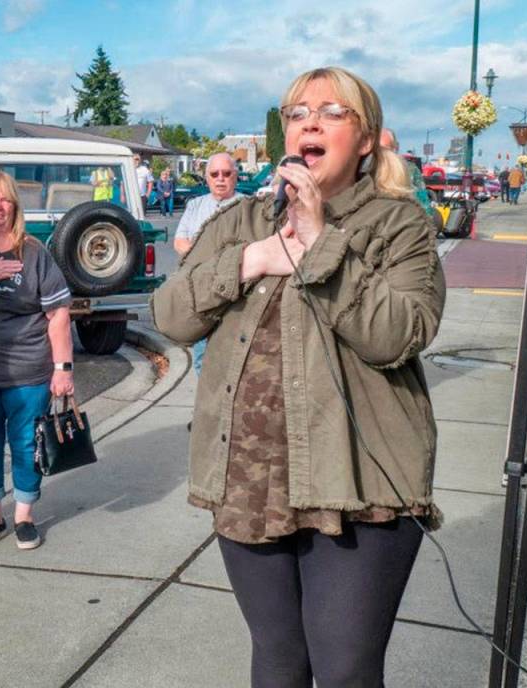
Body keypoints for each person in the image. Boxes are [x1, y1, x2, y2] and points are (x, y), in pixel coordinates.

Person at [152, 66, 445, 687]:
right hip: (250, 478)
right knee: (279, 662)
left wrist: (318, 244)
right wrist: (252, 260)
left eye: (333, 112)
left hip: (359, 488)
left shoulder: (399, 225)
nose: (310, 121)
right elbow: (170, 317)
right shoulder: (239, 223)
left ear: (367, 140)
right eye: (297, 112)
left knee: (345, 672)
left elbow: (398, 335)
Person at [0, 171, 74, 552]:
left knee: (26, 445)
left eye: (5, 199)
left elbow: (58, 314)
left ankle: (25, 515)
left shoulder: (33, 252)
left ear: (15, 206)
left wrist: (63, 370)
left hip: (28, 370)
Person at [173, 152, 244, 376]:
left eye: (226, 173)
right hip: (202, 292)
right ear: (207, 178)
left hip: (237, 294)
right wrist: (209, 262)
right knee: (202, 359)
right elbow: (180, 241)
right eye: (215, 174)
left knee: (236, 356)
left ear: (235, 176)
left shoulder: (247, 206)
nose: (220, 179)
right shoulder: (194, 206)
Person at [379, 128, 433, 217]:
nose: (381, 153)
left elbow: (425, 208)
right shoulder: (365, 170)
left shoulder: (410, 170)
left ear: (395, 148)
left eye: (385, 149)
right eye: (377, 149)